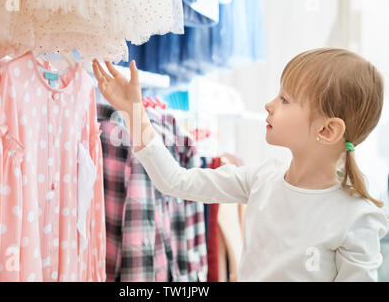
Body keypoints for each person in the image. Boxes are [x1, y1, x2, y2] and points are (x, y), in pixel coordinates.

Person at [92, 48, 388, 281]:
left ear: (327, 130)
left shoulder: (357, 216)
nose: (269, 104)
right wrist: (134, 112)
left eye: (285, 99)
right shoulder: (262, 179)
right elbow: (175, 181)